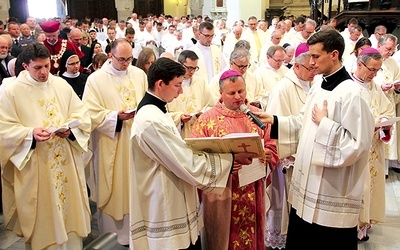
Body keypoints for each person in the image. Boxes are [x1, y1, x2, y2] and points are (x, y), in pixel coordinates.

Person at [256, 28, 375, 249]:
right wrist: (274, 120)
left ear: (334, 54)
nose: (311, 62)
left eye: (316, 56)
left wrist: (325, 124)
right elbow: (304, 125)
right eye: (310, 55)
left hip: (332, 193)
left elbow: (358, 145)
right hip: (306, 189)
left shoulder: (352, 94)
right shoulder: (319, 85)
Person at [129, 58, 256, 249]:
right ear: (160, 84)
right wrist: (230, 160)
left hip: (170, 192)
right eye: (177, 85)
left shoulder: (155, 112)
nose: (181, 91)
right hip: (163, 203)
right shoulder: (150, 120)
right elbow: (185, 162)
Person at [0, 42, 91, 249]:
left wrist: (71, 130)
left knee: (70, 218)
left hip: (65, 158)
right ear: (25, 66)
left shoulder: (59, 84)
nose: (44, 73)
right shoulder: (11, 91)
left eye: (47, 66)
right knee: (45, 218)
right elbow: (3, 129)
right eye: (38, 68)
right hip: (37, 165)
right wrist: (29, 133)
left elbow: (81, 114)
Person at [191, 69, 278, 250]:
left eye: (241, 91)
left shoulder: (257, 115)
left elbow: (271, 143)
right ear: (221, 93)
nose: (238, 97)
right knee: (223, 239)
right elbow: (196, 157)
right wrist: (226, 162)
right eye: (232, 93)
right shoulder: (207, 120)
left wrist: (269, 154)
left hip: (253, 190)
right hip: (223, 192)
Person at [82, 38, 148, 246]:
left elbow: (147, 101)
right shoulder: (96, 80)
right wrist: (115, 117)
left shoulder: (139, 74)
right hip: (111, 143)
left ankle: (139, 232)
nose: (126, 63)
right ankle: (113, 236)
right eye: (121, 59)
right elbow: (89, 114)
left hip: (137, 143)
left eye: (129, 59)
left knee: (137, 187)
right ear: (110, 56)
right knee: (115, 188)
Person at [264, 43, 317, 249]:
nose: (314, 72)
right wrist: (287, 154)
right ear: (296, 67)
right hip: (289, 159)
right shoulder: (283, 88)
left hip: (307, 155)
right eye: (309, 69)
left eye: (315, 68)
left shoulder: (314, 85)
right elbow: (275, 126)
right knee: (285, 202)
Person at [350, 47, 394, 241]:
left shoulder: (374, 86)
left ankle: (365, 222)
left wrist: (384, 119)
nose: (374, 75)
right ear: (359, 64)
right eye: (371, 70)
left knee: (373, 185)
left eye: (378, 70)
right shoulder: (348, 87)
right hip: (357, 148)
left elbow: (387, 107)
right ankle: (354, 223)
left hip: (374, 146)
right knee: (360, 186)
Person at [166, 50, 212, 138]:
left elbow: (210, 105)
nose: (192, 72)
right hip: (179, 134)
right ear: (180, 64)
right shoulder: (170, 83)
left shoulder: (200, 82)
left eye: (195, 68)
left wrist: (202, 113)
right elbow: (163, 113)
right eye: (189, 68)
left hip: (198, 130)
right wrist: (179, 117)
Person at [375, 34, 400, 176]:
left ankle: (386, 168)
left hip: (389, 102)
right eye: (388, 49)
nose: (390, 52)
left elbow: (397, 79)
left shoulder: (393, 63)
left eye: (392, 50)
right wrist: (380, 86)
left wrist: (396, 87)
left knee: (388, 133)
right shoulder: (370, 59)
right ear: (379, 46)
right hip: (376, 104)